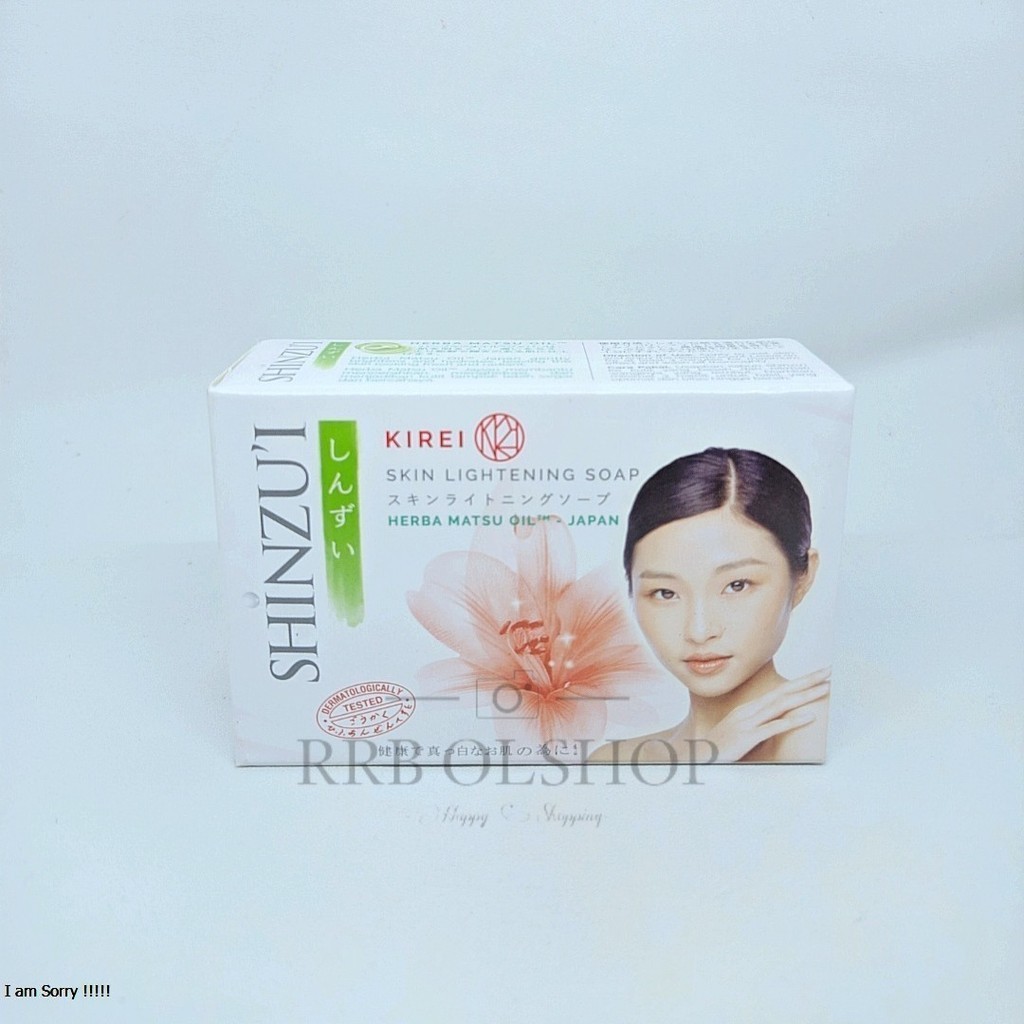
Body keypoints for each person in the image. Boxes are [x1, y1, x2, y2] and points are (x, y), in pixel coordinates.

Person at [592, 447, 829, 764]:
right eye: (665, 593)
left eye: (737, 585)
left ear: (802, 578)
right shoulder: (614, 760)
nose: (699, 631)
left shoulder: (813, 732)